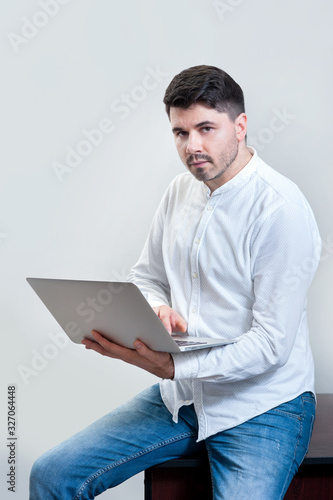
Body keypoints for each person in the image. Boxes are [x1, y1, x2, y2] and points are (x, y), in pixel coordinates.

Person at [29, 65, 321, 499]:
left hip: (263, 407)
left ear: (240, 126)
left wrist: (174, 366)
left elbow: (272, 345)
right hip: (183, 398)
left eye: (206, 128)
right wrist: (155, 308)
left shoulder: (282, 212)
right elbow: (146, 276)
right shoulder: (178, 193)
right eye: (180, 133)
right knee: (51, 475)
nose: (192, 146)